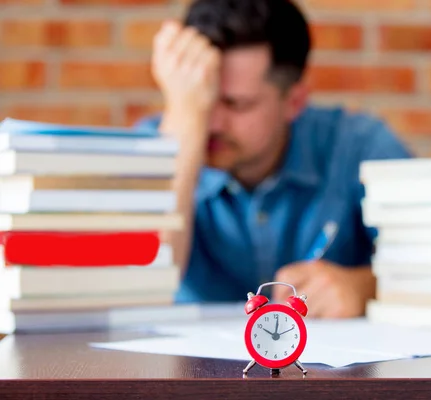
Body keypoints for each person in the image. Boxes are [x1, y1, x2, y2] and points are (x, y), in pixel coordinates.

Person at [139, 0, 412, 318]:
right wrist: (185, 119)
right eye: (202, 96)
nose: (211, 122)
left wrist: (365, 287)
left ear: (294, 102)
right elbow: (138, 284)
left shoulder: (359, 146)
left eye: (235, 104)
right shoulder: (160, 141)